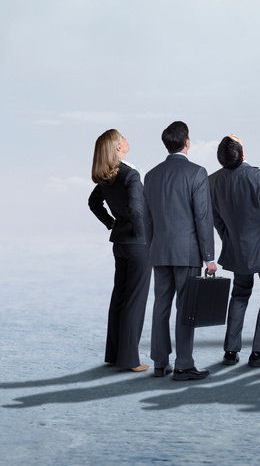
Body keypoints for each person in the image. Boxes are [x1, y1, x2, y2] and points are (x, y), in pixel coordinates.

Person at [144, 120, 217, 380]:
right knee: (185, 308)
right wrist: (209, 257)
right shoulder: (197, 173)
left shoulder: (151, 175)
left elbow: (147, 219)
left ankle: (160, 363)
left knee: (161, 306)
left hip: (160, 252)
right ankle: (184, 364)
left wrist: (151, 252)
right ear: (187, 142)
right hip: (187, 253)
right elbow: (203, 218)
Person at [209, 134, 260, 367]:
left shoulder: (213, 181)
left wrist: (229, 238)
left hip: (236, 249)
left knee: (239, 294)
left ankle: (230, 350)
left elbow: (216, 219)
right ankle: (259, 352)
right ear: (242, 153)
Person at [87, 129, 152, 373]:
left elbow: (93, 203)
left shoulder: (107, 177)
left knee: (120, 298)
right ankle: (130, 360)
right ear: (117, 146)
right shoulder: (130, 174)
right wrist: (146, 238)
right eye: (123, 137)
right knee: (135, 302)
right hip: (138, 244)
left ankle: (115, 355)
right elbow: (137, 212)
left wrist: (111, 222)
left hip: (121, 244)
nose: (126, 139)